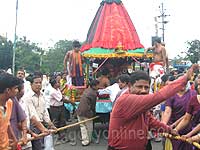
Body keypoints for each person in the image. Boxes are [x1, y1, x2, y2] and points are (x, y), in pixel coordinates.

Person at [107, 64, 198, 150]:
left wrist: (169, 130)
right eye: (139, 87)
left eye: (146, 87)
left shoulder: (140, 104)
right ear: (130, 86)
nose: (143, 91)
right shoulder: (126, 100)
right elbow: (159, 96)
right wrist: (184, 79)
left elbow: (151, 121)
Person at [161, 74, 197, 150]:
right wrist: (163, 126)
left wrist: (176, 127)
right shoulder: (171, 94)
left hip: (187, 129)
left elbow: (187, 116)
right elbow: (167, 111)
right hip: (172, 130)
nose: (182, 85)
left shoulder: (193, 94)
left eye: (185, 82)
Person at [25, 73, 57, 150]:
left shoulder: (42, 95)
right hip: (32, 126)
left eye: (40, 83)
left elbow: (45, 111)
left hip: (42, 124)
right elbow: (33, 115)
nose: (38, 85)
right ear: (31, 84)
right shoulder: (28, 97)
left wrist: (50, 124)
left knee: (45, 145)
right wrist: (43, 129)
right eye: (36, 83)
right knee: (37, 146)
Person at [174, 74, 200, 149]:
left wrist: (190, 135)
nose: (199, 87)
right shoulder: (193, 99)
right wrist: (175, 130)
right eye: (198, 84)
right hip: (194, 136)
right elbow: (186, 118)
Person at [0, 72, 21, 149]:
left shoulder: (9, 103)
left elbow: (7, 124)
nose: (17, 91)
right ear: (8, 90)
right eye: (15, 88)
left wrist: (15, 139)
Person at [76, 80, 100, 146]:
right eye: (98, 85)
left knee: (82, 126)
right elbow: (93, 105)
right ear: (94, 86)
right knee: (89, 127)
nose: (99, 87)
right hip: (86, 112)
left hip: (79, 111)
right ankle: (87, 140)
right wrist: (94, 113)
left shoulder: (87, 90)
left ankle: (84, 140)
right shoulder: (93, 94)